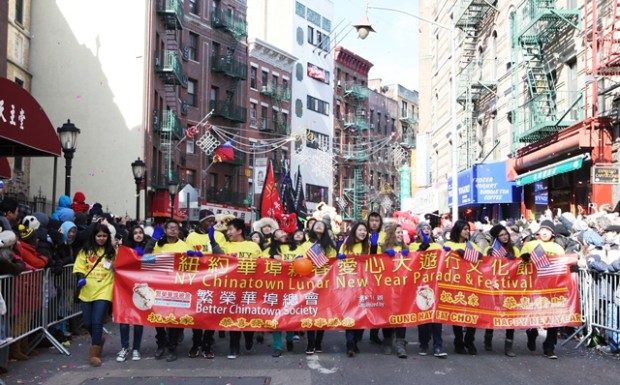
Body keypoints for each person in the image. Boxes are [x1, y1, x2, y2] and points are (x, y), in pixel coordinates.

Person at [72, 223, 117, 367]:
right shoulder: (85, 251)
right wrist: (80, 278)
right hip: (87, 289)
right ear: (94, 236)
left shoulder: (112, 252)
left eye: (104, 236)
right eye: (99, 236)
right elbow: (79, 267)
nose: (102, 238)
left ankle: (94, 353)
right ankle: (99, 340)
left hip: (104, 289)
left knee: (97, 321)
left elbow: (120, 266)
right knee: (87, 323)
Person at [520, 219, 565, 359]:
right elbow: (518, 265)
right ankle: (531, 334)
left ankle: (549, 347)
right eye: (543, 229)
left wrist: (572, 268)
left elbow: (563, 265)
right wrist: (524, 258)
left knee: (553, 317)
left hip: (552, 287)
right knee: (533, 314)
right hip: (534, 286)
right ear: (538, 231)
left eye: (548, 230)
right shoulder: (530, 245)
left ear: (553, 233)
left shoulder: (558, 248)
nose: (545, 232)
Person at [145, 219, 189, 362]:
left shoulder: (184, 246)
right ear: (165, 230)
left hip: (177, 287)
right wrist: (152, 240)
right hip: (159, 286)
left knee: (174, 319)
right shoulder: (158, 244)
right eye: (170, 228)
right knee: (158, 318)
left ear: (179, 231)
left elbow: (190, 265)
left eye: (175, 228)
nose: (172, 230)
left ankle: (172, 348)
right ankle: (161, 344)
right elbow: (145, 257)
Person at [185, 209, 223, 359]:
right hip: (196, 280)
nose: (211, 224)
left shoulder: (219, 235)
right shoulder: (191, 237)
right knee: (197, 314)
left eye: (213, 221)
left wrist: (213, 242)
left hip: (214, 280)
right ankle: (196, 343)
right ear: (201, 222)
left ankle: (207, 345)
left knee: (210, 314)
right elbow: (184, 256)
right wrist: (192, 255)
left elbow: (224, 257)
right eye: (208, 221)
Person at [222, 218, 263, 359]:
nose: (228, 233)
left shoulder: (253, 246)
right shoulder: (226, 247)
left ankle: (249, 339)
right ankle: (234, 348)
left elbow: (264, 265)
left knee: (248, 317)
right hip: (231, 289)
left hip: (250, 289)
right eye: (227, 230)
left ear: (239, 231)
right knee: (233, 316)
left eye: (230, 229)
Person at [409, 221, 448, 359]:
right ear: (418, 232)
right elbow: (412, 261)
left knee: (436, 317)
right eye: (423, 229)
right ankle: (424, 344)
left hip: (436, 285)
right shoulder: (413, 246)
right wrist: (423, 246)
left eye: (428, 229)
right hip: (421, 285)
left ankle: (438, 346)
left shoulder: (437, 246)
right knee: (423, 317)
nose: (426, 230)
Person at [444, 219, 482, 355]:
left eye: (468, 229)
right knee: (457, 314)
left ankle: (469, 340)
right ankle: (458, 342)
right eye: (464, 229)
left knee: (473, 314)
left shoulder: (471, 245)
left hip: (472, 284)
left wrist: (465, 254)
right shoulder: (449, 244)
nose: (467, 231)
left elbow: (481, 258)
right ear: (458, 230)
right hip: (455, 284)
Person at [114, 224, 151, 363]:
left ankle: (136, 348)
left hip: (141, 288)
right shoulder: (125, 250)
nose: (138, 235)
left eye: (140, 232)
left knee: (138, 320)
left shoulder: (149, 248)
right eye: (135, 232)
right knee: (124, 320)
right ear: (131, 235)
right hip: (125, 288)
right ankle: (124, 347)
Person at [482, 224, 520, 357]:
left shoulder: (514, 249)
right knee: (492, 313)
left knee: (511, 316)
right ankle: (488, 339)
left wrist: (514, 259)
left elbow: (520, 265)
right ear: (496, 238)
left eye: (506, 234)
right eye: (501, 235)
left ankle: (508, 346)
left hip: (510, 286)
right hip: (495, 286)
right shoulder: (490, 250)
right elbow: (486, 267)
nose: (504, 237)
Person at [302, 220, 337, 354]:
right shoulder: (306, 244)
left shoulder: (329, 246)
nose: (318, 226)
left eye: (321, 225)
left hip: (324, 283)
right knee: (310, 312)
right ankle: (310, 343)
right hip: (309, 284)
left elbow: (333, 263)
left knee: (322, 312)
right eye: (316, 224)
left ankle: (318, 343)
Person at [339, 221, 371, 357]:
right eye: (360, 230)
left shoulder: (368, 245)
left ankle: (356, 341)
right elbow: (338, 264)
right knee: (350, 314)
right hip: (349, 285)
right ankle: (350, 344)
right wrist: (339, 258)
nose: (363, 232)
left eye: (365, 230)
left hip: (364, 285)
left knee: (362, 314)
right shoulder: (346, 245)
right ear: (354, 231)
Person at [377, 223, 408, 356]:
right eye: (398, 232)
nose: (401, 234)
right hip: (387, 287)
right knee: (388, 314)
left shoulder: (407, 248)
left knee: (402, 315)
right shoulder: (384, 248)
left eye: (402, 232)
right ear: (391, 234)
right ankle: (387, 341)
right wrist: (385, 254)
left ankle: (400, 344)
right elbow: (376, 263)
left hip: (403, 288)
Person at [366, 211, 385, 345]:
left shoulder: (385, 235)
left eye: (376, 220)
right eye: (372, 220)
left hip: (382, 275)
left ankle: (375, 333)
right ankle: (357, 334)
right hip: (365, 275)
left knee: (379, 305)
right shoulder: (362, 233)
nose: (374, 223)